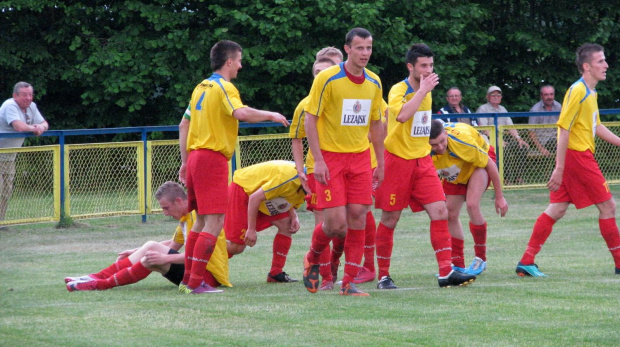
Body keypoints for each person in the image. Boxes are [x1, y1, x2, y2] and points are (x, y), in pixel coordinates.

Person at [178, 40, 289, 294]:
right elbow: (240, 113)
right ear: (229, 61)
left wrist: (185, 162)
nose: (240, 66)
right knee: (215, 222)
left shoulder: (200, 88)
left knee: (200, 222)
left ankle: (188, 280)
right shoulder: (224, 86)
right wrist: (270, 114)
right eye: (239, 60)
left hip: (195, 157)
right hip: (212, 159)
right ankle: (196, 283)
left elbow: (183, 125)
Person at [374, 43, 476, 290]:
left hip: (422, 161)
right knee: (390, 218)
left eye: (431, 65)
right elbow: (401, 116)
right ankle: (384, 276)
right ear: (411, 67)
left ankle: (445, 272)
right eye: (423, 66)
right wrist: (422, 91)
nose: (429, 70)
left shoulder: (427, 90)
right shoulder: (400, 89)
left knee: (441, 212)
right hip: (397, 161)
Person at [516, 43, 620, 277]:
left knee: (558, 208)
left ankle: (526, 261)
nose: (606, 65)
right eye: (600, 61)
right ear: (586, 66)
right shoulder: (578, 91)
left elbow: (596, 126)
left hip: (578, 156)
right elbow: (563, 129)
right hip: (577, 157)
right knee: (608, 206)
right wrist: (559, 167)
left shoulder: (591, 92)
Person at [301, 27, 385, 296]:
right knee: (335, 225)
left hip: (360, 159)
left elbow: (375, 124)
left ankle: (348, 283)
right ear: (347, 49)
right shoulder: (327, 79)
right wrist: (320, 160)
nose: (365, 53)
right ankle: (313, 257)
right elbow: (310, 119)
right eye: (360, 48)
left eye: (369, 48)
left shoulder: (374, 82)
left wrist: (380, 163)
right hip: (331, 159)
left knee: (358, 216)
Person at [65, 181, 231, 292]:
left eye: (166, 208)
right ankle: (95, 279)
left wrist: (163, 258)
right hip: (195, 272)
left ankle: (98, 282)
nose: (165, 213)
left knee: (151, 253)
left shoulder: (199, 217)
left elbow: (201, 256)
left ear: (179, 201)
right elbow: (173, 245)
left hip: (207, 277)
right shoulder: (186, 218)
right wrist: (139, 250)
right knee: (150, 252)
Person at [429, 119, 508, 275]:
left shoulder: (462, 142)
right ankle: (458, 264)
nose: (439, 147)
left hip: (480, 162)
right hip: (456, 167)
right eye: (434, 145)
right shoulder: (423, 149)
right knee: (449, 213)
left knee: (472, 205)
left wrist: (499, 196)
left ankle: (481, 259)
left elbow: (489, 164)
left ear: (446, 134)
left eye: (442, 141)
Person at [290, 55, 341, 291]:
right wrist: (301, 169)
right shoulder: (306, 104)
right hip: (318, 170)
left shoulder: (344, 99)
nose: (321, 76)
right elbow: (296, 138)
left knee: (346, 225)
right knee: (326, 224)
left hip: (345, 168)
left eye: (326, 71)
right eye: (317, 72)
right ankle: (327, 277)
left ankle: (334, 265)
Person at [224, 160, 307, 283]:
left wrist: (293, 215)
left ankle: (275, 273)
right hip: (244, 190)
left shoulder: (306, 180)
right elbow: (254, 198)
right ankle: (200, 261)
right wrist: (251, 229)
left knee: (287, 225)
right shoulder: (289, 178)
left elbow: (288, 196)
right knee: (237, 247)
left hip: (262, 197)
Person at [0, 82, 49, 224]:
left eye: (30, 95)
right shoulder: (10, 106)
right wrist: (34, 128)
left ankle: (1, 222)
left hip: (9, 157)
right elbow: (19, 127)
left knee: (6, 191)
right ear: (15, 96)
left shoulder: (31, 107)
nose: (28, 98)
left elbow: (44, 123)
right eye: (24, 95)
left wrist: (40, 126)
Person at [476, 86, 530, 185]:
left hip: (502, 138)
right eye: (493, 95)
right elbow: (484, 129)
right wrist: (497, 140)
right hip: (487, 140)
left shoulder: (503, 109)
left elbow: (510, 126)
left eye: (498, 95)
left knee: (522, 147)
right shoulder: (483, 109)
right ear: (487, 97)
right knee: (504, 149)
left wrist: (519, 139)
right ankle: (505, 178)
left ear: (501, 97)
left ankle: (518, 177)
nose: (496, 97)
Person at [528, 85, 562, 157]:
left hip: (557, 139)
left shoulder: (558, 106)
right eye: (546, 95)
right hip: (544, 141)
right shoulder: (535, 110)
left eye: (551, 94)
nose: (549, 97)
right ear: (541, 96)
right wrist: (541, 149)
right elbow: (531, 133)